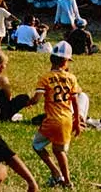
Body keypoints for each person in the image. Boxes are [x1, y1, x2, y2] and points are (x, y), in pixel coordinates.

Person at [31, 43, 85, 188]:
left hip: (52, 119)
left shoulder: (45, 78)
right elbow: (75, 101)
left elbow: (37, 99)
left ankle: (59, 175)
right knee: (59, 151)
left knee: (37, 145)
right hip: (67, 118)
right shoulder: (71, 78)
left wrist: (28, 101)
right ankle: (64, 179)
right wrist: (77, 121)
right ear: (65, 61)